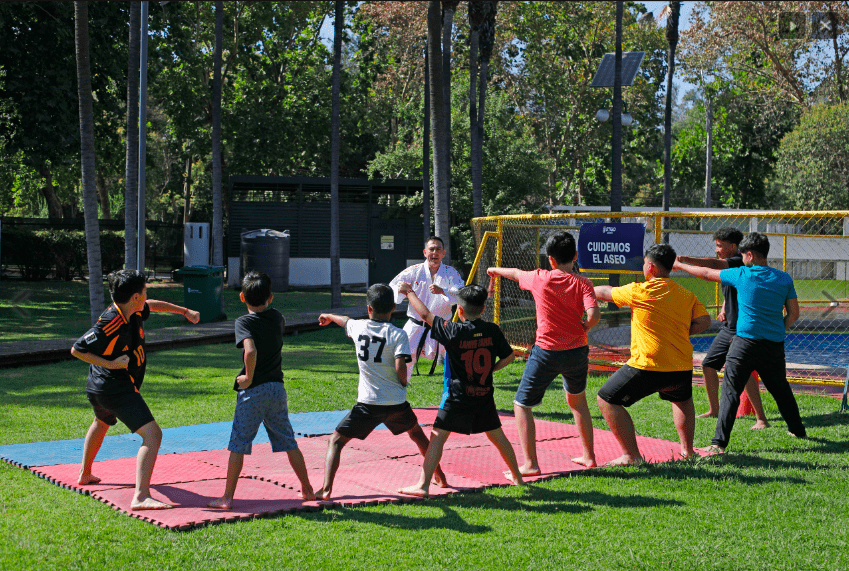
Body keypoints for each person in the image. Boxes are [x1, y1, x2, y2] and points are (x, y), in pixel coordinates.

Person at [71, 269, 200, 510]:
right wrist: (111, 363)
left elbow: (153, 305)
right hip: (115, 387)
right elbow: (77, 349)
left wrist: (183, 311)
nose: (147, 295)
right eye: (145, 291)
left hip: (100, 387)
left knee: (101, 422)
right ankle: (141, 497)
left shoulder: (134, 309)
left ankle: (85, 473)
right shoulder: (111, 321)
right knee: (153, 435)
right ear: (135, 297)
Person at [673, 232, 807, 452]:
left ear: (750, 255)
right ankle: (798, 430)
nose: (742, 258)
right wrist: (776, 329)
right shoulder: (784, 278)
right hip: (773, 345)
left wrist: (681, 265)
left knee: (730, 392)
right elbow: (793, 314)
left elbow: (707, 273)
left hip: (744, 343)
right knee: (781, 389)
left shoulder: (742, 274)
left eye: (743, 255)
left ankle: (718, 444)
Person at [313, 284, 448, 499]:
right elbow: (400, 367)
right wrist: (403, 382)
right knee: (417, 435)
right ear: (393, 308)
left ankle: (326, 489)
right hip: (396, 403)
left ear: (369, 309)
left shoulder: (358, 328)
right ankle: (439, 476)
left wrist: (329, 315)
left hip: (368, 404)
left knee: (336, 441)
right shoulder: (398, 334)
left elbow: (345, 321)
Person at [486, 231, 600, 476]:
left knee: (521, 404)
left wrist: (496, 269)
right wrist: (585, 327)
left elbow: (516, 273)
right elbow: (594, 316)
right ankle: (589, 457)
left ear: (550, 259)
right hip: (577, 351)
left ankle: (530, 464)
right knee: (578, 401)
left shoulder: (541, 278)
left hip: (547, 352)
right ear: (576, 256)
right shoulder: (584, 283)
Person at [397, 283, 524, 498]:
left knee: (437, 437)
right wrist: (490, 370)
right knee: (498, 436)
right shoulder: (492, 330)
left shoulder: (452, 330)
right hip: (483, 395)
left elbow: (426, 314)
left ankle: (423, 485)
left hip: (457, 396)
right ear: (483, 309)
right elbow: (510, 357)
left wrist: (409, 292)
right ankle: (518, 478)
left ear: (460, 310)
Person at [594, 244, 711, 465]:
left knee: (606, 399)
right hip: (680, 366)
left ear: (651, 266)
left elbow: (607, 292)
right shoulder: (686, 294)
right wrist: (676, 332)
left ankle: (631, 456)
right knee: (682, 401)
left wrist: (583, 289)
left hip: (647, 365)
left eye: (644, 265)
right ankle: (688, 452)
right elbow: (704, 321)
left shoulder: (641, 291)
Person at [208, 272, 314, 508]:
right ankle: (307, 489)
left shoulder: (244, 322)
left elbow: (251, 350)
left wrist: (248, 376)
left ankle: (227, 498)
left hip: (254, 392)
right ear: (271, 297)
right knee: (289, 441)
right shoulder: (277, 317)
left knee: (238, 444)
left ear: (242, 297)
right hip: (277, 388)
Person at [675, 227, 769, 428]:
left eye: (720, 246)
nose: (717, 250)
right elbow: (732, 288)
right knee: (708, 364)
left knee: (740, 371)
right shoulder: (733, 267)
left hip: (742, 328)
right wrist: (725, 306)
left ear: (733, 247)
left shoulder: (738, 261)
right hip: (729, 326)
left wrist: (683, 260)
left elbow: (712, 265)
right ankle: (714, 410)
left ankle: (761, 418)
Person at [389, 236, 464, 378]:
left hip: (443, 325)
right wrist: (401, 289)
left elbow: (461, 293)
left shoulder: (451, 273)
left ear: (443, 253)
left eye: (438, 249)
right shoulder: (413, 271)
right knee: (403, 360)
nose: (434, 252)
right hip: (415, 325)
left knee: (455, 359)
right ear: (425, 252)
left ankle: (454, 392)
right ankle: (398, 390)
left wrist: (443, 291)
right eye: (431, 249)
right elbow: (392, 287)